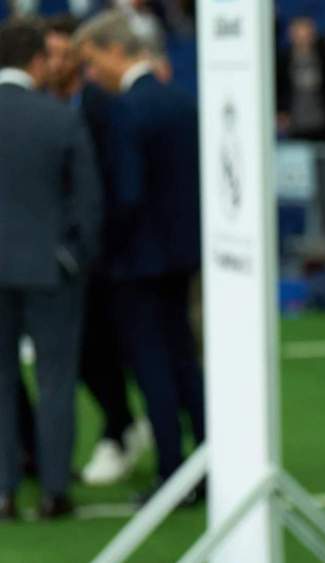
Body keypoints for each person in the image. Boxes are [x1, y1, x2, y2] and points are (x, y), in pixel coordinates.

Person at [74, 9, 204, 501]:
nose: (92, 75)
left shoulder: (126, 110)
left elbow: (126, 195)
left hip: (138, 262)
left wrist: (105, 249)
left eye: (93, 62)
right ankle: (206, 465)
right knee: (185, 361)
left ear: (115, 51)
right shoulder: (182, 100)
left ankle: (172, 472)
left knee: (153, 367)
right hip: (182, 255)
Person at [0, 18, 103, 520]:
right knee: (56, 380)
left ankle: (3, 492)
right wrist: (74, 256)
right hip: (51, 271)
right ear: (38, 61)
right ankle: (53, 491)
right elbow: (89, 201)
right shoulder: (60, 117)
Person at [45, 13, 152, 486]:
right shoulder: (38, 104)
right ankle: (121, 426)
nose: (58, 62)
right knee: (83, 354)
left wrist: (102, 243)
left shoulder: (103, 105)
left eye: (65, 53)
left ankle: (124, 431)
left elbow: (117, 183)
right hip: (53, 253)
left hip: (107, 252)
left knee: (116, 348)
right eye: (50, 54)